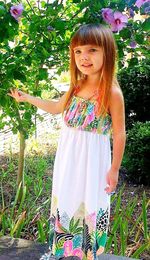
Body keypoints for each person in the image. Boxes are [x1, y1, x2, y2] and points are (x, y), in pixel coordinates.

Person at [9, 24, 126, 260]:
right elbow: (55, 108)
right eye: (78, 51)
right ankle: (64, 251)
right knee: (68, 198)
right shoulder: (77, 84)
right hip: (68, 157)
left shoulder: (111, 92)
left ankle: (85, 254)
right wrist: (27, 98)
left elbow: (120, 133)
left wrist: (114, 169)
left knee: (88, 200)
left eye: (92, 50)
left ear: (107, 53)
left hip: (92, 160)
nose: (84, 57)